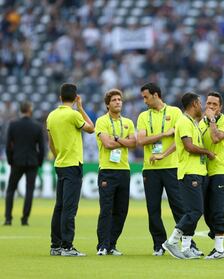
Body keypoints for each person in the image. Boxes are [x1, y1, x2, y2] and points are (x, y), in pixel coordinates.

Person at [137, 83, 201, 257]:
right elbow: (141, 141)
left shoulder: (174, 112)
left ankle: (189, 244)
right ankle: (159, 244)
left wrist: (164, 154)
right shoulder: (143, 116)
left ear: (156, 95)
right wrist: (164, 134)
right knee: (153, 209)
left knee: (180, 208)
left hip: (172, 167)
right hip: (150, 168)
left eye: (146, 97)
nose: (144, 101)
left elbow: (180, 139)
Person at [162, 92, 215, 259]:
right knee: (195, 211)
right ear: (194, 104)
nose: (202, 106)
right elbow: (189, 147)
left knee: (194, 211)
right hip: (189, 172)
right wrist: (207, 152)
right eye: (200, 103)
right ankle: (171, 241)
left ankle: (185, 248)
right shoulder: (184, 122)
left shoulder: (193, 122)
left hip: (197, 171)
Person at [47, 83, 94, 257]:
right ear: (75, 98)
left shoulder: (51, 116)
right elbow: (91, 128)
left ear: (60, 98)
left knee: (59, 206)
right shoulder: (74, 115)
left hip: (59, 164)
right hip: (73, 165)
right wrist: (81, 108)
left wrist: (59, 155)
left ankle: (55, 245)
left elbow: (50, 143)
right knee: (69, 207)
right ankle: (67, 246)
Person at [95, 89, 136, 256]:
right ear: (107, 104)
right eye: (114, 100)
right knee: (106, 209)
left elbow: (134, 143)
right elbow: (107, 144)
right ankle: (102, 245)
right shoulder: (101, 121)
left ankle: (112, 244)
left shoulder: (128, 122)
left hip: (124, 170)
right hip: (107, 171)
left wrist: (117, 139)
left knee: (121, 210)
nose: (118, 102)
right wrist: (123, 141)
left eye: (120, 100)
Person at [199, 91, 224, 259]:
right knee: (206, 211)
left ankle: (220, 249)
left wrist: (212, 119)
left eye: (214, 104)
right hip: (205, 172)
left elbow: (215, 138)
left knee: (218, 211)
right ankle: (216, 234)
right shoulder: (200, 123)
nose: (210, 107)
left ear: (220, 107)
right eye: (208, 104)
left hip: (220, 170)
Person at [4, 101, 44, 226]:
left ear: (20, 110)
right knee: (29, 190)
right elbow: (42, 148)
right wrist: (39, 162)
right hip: (32, 162)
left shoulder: (13, 125)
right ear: (30, 110)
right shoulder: (37, 126)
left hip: (17, 161)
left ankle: (8, 218)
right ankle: (25, 219)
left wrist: (11, 160)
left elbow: (8, 146)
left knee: (11, 189)